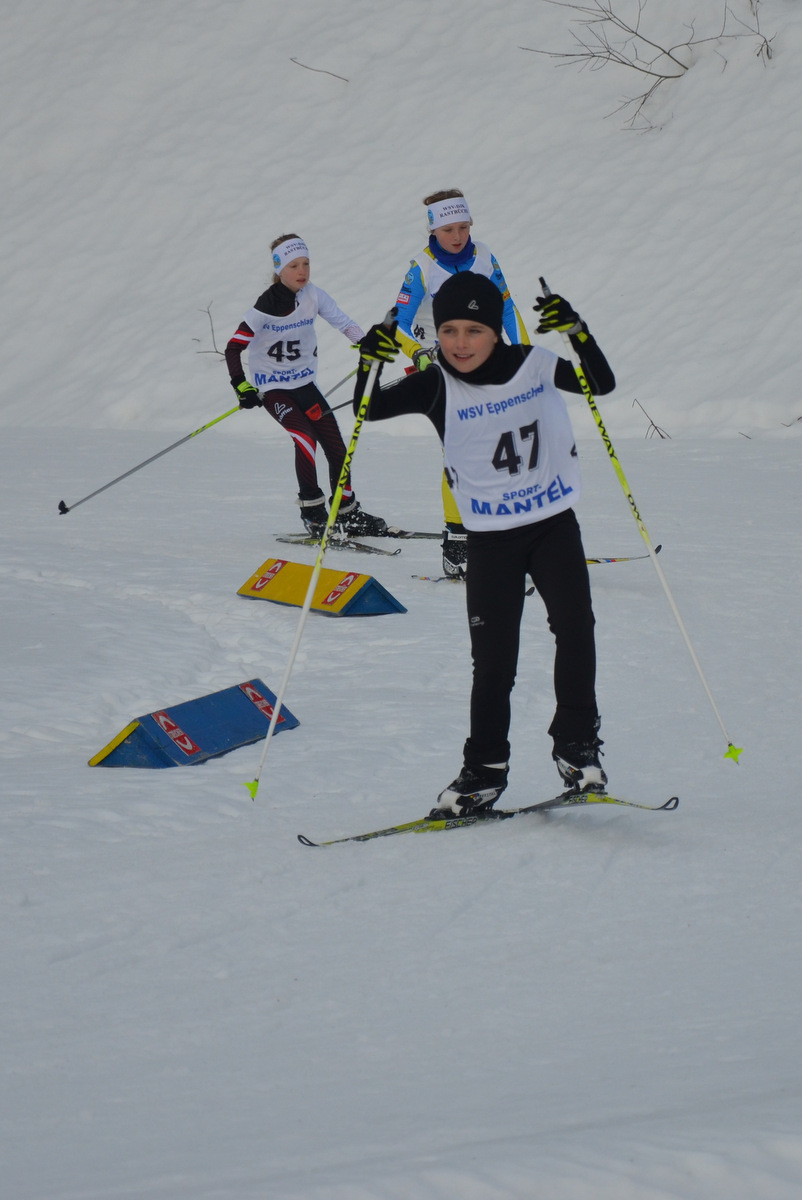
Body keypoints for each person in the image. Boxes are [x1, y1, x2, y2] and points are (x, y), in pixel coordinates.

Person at [355, 271, 616, 816]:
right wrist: (368, 361)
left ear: (496, 332)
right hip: (491, 539)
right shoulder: (435, 383)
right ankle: (485, 768)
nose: (460, 343)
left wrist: (579, 333)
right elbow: (367, 410)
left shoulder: (534, 364)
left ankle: (576, 743)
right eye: (448, 330)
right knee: (494, 661)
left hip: (551, 524)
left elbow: (599, 383)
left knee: (575, 628)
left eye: (474, 330)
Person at [393, 189, 530, 577]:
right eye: (448, 230)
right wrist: (418, 353)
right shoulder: (422, 268)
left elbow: (507, 307)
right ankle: (457, 547)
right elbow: (396, 325)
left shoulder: (484, 255)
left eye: (464, 227)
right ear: (433, 231)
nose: (457, 237)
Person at [225, 233, 387, 537]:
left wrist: (365, 344)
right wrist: (241, 386)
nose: (302, 271)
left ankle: (347, 512)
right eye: (294, 266)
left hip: (304, 385)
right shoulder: (265, 306)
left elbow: (344, 323)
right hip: (273, 388)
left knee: (337, 448)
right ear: (279, 270)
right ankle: (313, 512)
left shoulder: (313, 295)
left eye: (306, 264)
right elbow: (233, 348)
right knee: (304, 438)